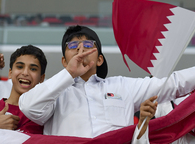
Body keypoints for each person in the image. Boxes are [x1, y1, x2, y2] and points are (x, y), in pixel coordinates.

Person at [19, 25, 195, 141]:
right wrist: (70, 73)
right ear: (64, 62)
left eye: (88, 44)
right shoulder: (53, 93)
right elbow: (29, 107)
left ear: (100, 59)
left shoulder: (122, 86)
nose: (81, 49)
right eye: (72, 46)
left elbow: (173, 83)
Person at [0, 45, 47, 134]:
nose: (25, 73)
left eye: (33, 69)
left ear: (42, 78)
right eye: (20, 67)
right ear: (10, 73)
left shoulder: (44, 116)